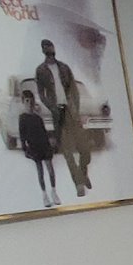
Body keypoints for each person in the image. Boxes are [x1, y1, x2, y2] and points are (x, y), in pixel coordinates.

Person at [34, 38, 90, 196]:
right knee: (67, 152)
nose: (49, 49)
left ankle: (83, 174)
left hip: (71, 112)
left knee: (85, 150)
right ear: (43, 50)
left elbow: (74, 90)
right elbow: (41, 93)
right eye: (46, 47)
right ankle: (79, 183)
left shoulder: (64, 67)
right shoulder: (41, 70)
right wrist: (51, 107)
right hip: (58, 114)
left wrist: (76, 110)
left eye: (51, 46)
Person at [16, 88, 60, 209]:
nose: (29, 103)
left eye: (31, 101)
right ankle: (44, 195)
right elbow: (22, 134)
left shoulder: (38, 118)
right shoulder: (23, 118)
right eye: (26, 101)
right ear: (23, 102)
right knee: (40, 171)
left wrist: (50, 145)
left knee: (50, 170)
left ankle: (54, 191)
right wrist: (25, 148)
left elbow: (44, 132)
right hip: (34, 147)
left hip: (44, 145)